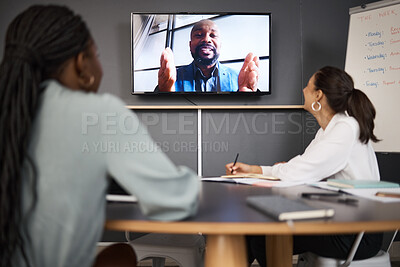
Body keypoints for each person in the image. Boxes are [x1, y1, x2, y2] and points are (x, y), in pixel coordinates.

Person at [0, 5, 199, 267]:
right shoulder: (98, 114)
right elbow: (177, 202)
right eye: (97, 54)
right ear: (83, 65)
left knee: (121, 254)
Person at [225, 66, 383, 266]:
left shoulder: (345, 128)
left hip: (356, 234)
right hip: (341, 222)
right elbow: (301, 167)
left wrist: (266, 169)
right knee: (251, 232)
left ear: (318, 95)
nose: (303, 91)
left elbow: (298, 171)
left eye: (308, 87)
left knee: (263, 238)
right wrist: (260, 169)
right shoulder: (328, 130)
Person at [157, 19, 259, 92]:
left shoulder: (238, 78)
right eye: (199, 35)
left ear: (220, 45)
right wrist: (164, 94)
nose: (206, 39)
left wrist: (248, 99)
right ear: (190, 45)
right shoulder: (172, 78)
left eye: (213, 35)